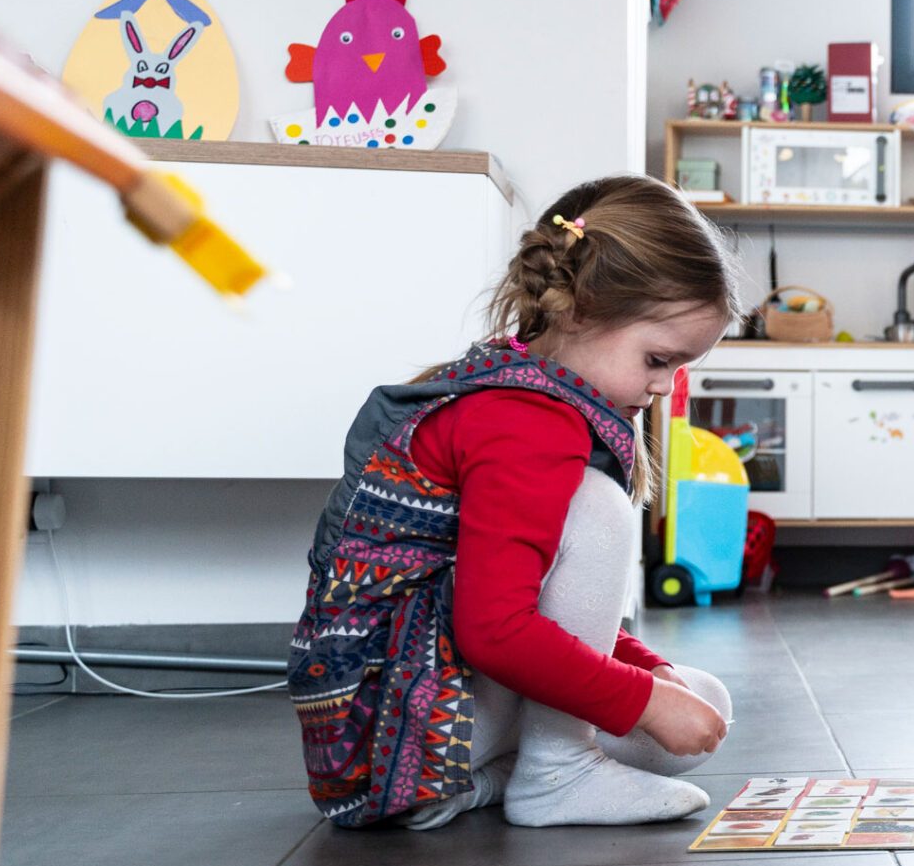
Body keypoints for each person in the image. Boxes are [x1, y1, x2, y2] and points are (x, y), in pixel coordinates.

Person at [289, 175, 742, 830]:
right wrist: (641, 701)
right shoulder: (528, 422)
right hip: (389, 739)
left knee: (703, 697)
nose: (665, 388)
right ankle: (555, 774)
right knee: (599, 510)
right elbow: (495, 631)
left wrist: (649, 672)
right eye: (657, 359)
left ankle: (489, 783)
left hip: (402, 718)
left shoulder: (513, 381)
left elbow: (533, 600)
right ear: (582, 311)